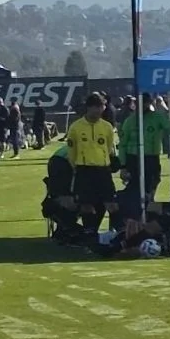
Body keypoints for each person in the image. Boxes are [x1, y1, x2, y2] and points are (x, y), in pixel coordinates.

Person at [118, 94, 170, 205]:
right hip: (133, 158)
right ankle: (136, 207)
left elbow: (169, 127)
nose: (143, 106)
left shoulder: (156, 117)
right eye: (140, 103)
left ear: (149, 103)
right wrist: (123, 166)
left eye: (145, 103)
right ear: (136, 104)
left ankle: (150, 201)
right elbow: (123, 144)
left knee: (153, 181)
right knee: (135, 186)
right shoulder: (129, 121)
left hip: (151, 157)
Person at [66, 93, 118, 234]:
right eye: (96, 108)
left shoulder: (107, 127)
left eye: (101, 108)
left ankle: (117, 233)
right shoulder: (76, 127)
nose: (99, 112)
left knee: (111, 204)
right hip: (84, 170)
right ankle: (90, 233)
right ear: (88, 108)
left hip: (103, 170)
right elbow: (72, 151)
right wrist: (76, 166)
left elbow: (108, 148)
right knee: (87, 205)